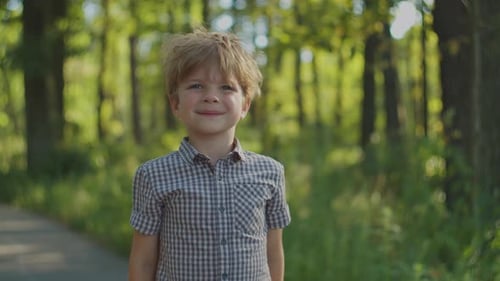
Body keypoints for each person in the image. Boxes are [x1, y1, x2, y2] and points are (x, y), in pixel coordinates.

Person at [128, 28, 291, 281]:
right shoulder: (153, 176)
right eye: (196, 86)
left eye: (227, 87)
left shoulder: (270, 172)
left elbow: (273, 253)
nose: (211, 97)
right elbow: (143, 260)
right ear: (175, 104)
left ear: (245, 104)